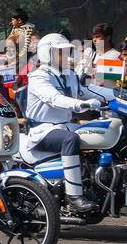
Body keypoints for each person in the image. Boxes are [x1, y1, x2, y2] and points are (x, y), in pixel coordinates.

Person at [21, 33, 101, 215]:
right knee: (70, 139)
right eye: (60, 52)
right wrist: (79, 104)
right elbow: (54, 98)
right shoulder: (38, 77)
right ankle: (74, 198)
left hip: (66, 125)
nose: (66, 56)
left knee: (99, 132)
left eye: (66, 52)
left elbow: (87, 89)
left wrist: (121, 97)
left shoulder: (69, 75)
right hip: (42, 130)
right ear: (46, 53)